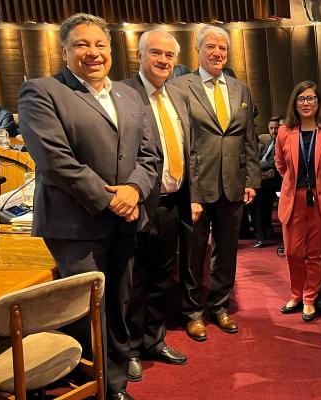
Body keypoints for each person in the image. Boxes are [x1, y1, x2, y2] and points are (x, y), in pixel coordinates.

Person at [18, 13, 158, 400]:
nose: (93, 52)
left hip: (126, 221)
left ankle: (114, 382)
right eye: (81, 44)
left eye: (100, 44)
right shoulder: (42, 92)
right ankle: (99, 387)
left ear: (110, 50)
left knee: (119, 303)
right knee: (89, 311)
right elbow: (55, 160)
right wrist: (112, 199)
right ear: (64, 51)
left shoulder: (129, 95)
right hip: (75, 225)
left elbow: (149, 156)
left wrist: (134, 190)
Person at [169, 24, 260, 341]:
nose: (218, 52)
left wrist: (251, 179)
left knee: (227, 251)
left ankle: (220, 306)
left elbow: (249, 137)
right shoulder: (179, 87)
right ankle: (193, 312)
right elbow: (178, 140)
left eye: (222, 47)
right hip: (196, 185)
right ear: (197, 50)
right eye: (211, 46)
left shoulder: (240, 88)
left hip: (233, 183)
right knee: (193, 254)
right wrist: (188, 190)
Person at [120, 29, 190, 383]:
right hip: (138, 203)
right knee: (135, 281)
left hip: (173, 203)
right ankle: (131, 349)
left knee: (163, 276)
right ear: (140, 55)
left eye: (169, 55)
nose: (163, 60)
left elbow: (188, 148)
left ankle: (154, 339)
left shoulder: (177, 95)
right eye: (156, 53)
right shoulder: (121, 94)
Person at [275, 81, 321, 321]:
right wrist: (292, 182)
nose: (306, 103)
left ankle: (310, 297)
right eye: (301, 98)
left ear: (318, 102)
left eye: (311, 98)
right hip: (294, 199)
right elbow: (280, 164)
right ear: (295, 103)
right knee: (293, 252)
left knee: (317, 253)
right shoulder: (284, 131)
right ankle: (296, 294)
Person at [252, 116, 282, 248]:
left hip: (278, 178)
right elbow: (264, 159)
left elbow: (274, 163)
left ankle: (261, 234)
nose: (274, 131)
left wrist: (257, 168)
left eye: (276, 128)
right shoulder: (270, 142)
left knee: (257, 190)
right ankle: (264, 230)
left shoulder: (282, 142)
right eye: (271, 128)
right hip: (266, 176)